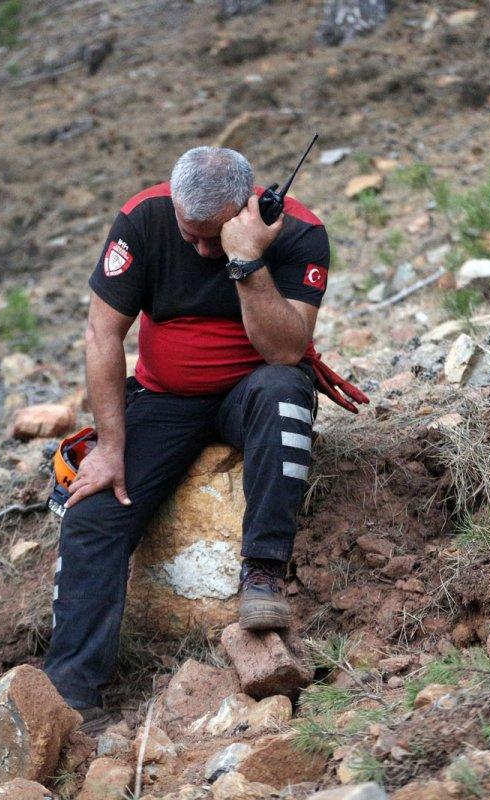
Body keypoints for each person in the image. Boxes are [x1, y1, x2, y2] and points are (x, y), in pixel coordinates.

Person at [43, 145, 365, 726]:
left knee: (284, 389)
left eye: (210, 239)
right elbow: (101, 335)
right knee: (91, 514)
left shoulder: (300, 232)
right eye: (187, 234)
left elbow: (287, 350)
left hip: (251, 391)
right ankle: (72, 695)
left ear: (246, 211)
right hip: (164, 399)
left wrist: (245, 263)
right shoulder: (144, 219)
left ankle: (263, 571)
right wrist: (111, 449)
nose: (196, 250)